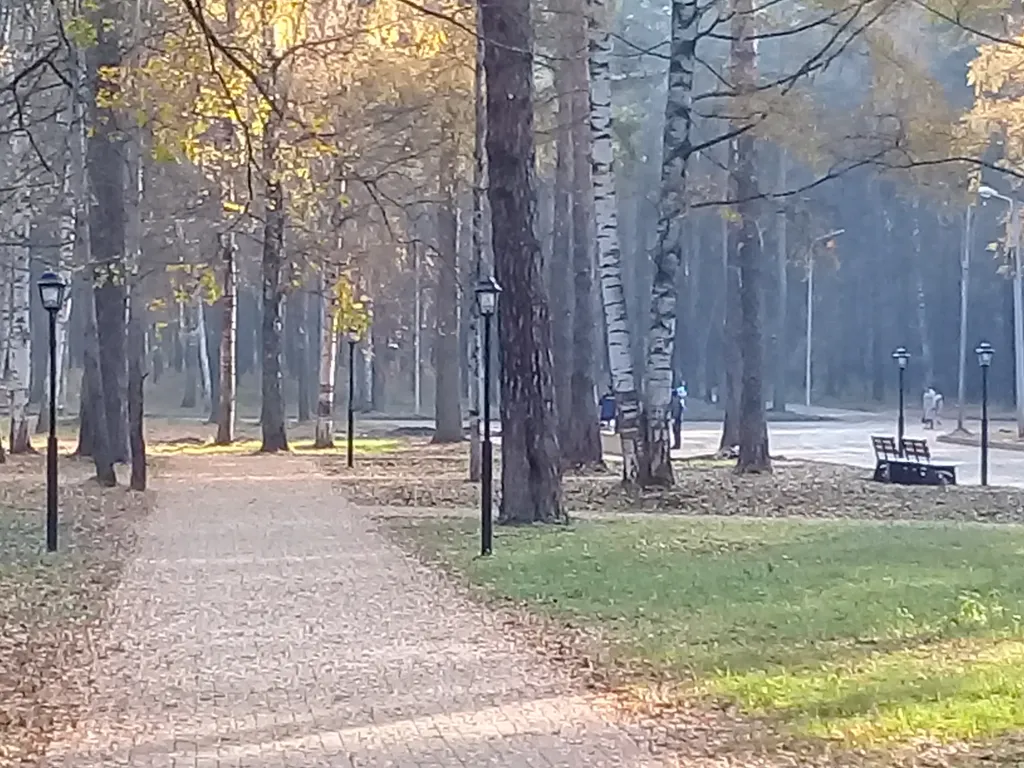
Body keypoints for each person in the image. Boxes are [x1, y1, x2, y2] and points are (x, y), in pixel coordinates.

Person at [670, 383, 687, 450]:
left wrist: (674, 417)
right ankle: (677, 444)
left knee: (676, 431)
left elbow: (676, 409)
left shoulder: (675, 401)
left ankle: (677, 445)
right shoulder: (679, 400)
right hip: (678, 418)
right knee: (677, 431)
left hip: (677, 418)